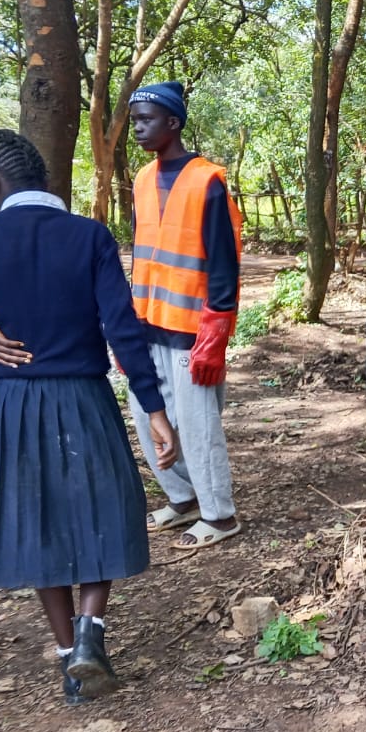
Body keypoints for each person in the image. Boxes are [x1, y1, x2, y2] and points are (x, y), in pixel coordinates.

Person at [0, 130, 177, 705]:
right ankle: (91, 633)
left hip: (13, 403)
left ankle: (69, 660)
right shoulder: (88, 235)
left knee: (37, 522)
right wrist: (155, 409)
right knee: (101, 509)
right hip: (83, 397)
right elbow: (122, 326)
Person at [127, 81, 245, 549]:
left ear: (173, 123)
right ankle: (183, 497)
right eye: (135, 119)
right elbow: (140, 254)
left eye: (146, 119)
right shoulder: (140, 179)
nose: (137, 127)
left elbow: (223, 261)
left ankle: (220, 515)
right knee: (145, 415)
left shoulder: (207, 180)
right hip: (147, 322)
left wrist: (215, 332)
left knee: (197, 427)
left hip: (192, 329)